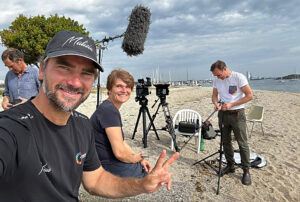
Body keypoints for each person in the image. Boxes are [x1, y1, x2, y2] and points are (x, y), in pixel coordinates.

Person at [0, 30, 179, 201]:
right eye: (64, 67)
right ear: (42, 69)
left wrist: (143, 185)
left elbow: (96, 181)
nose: (75, 82)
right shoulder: (11, 127)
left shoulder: (82, 124)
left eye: (86, 73)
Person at [91, 69, 151, 178]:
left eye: (127, 87)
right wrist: (135, 160)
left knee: (145, 170)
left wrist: (139, 159)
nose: (124, 90)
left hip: (105, 163)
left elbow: (122, 142)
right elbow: (119, 153)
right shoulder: (109, 111)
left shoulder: (108, 107)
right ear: (109, 89)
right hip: (105, 166)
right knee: (149, 177)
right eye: (119, 86)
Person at [210, 60, 253, 186]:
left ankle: (246, 170)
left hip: (237, 114)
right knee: (225, 141)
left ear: (224, 69)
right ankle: (230, 165)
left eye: (218, 75)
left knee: (242, 142)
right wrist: (216, 104)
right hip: (223, 114)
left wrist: (231, 104)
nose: (217, 77)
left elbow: (250, 96)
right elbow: (214, 95)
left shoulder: (238, 77)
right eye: (215, 76)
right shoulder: (216, 80)